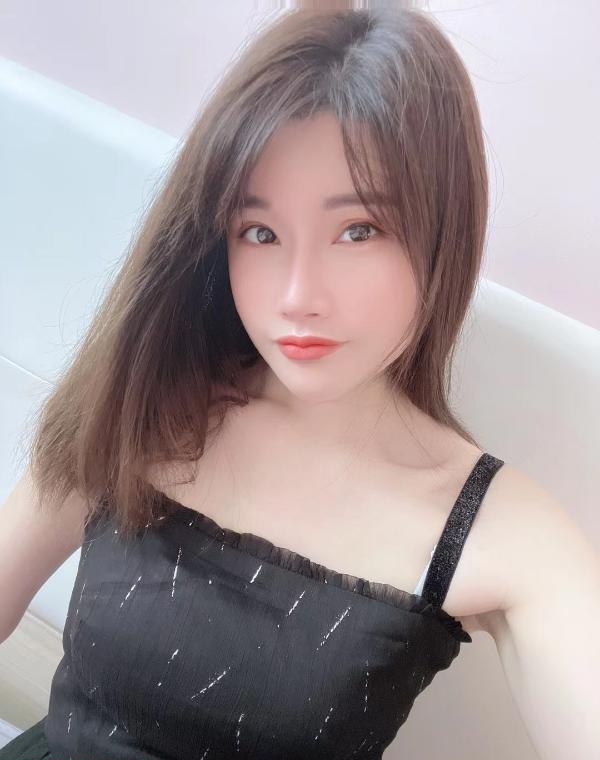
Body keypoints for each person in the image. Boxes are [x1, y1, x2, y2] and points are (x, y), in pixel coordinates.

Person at [1, 5, 598, 760]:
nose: (297, 296)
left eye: (358, 230)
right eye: (260, 232)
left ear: (443, 234)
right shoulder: (146, 395)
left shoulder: (505, 538)